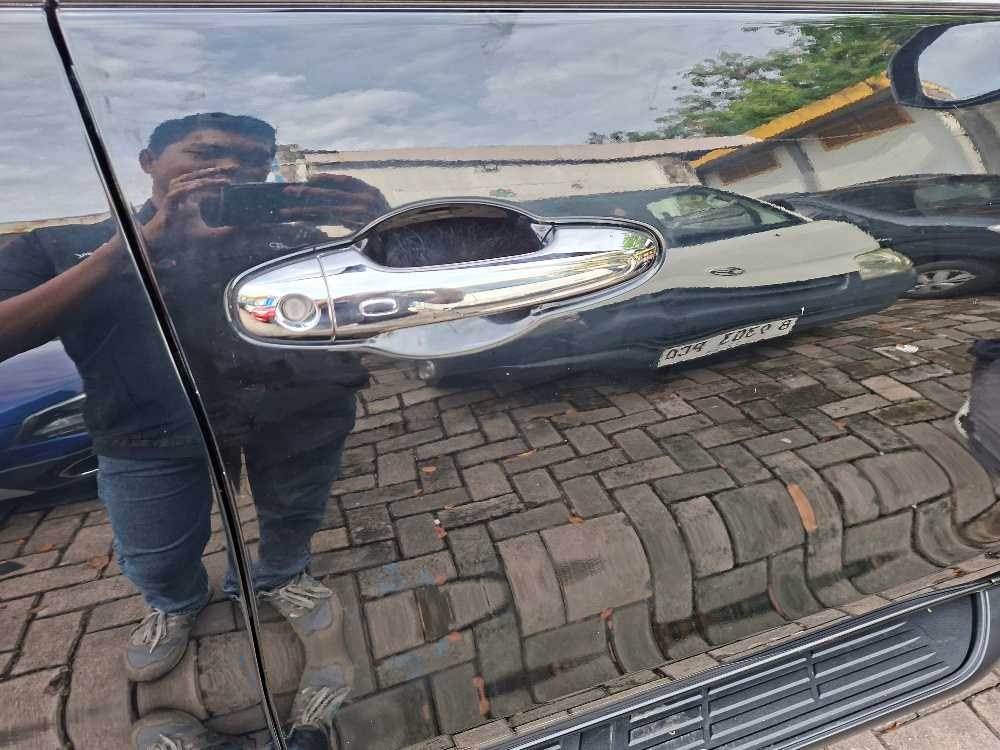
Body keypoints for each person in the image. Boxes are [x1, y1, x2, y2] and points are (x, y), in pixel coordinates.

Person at [0, 112, 389, 749]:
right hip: (145, 430)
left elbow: (387, 294)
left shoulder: (291, 237)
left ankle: (279, 576)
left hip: (299, 412)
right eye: (206, 152)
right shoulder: (64, 244)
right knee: (153, 550)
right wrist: (136, 248)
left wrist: (377, 225)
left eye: (253, 160)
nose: (232, 167)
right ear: (149, 161)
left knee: (294, 513)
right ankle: (176, 603)